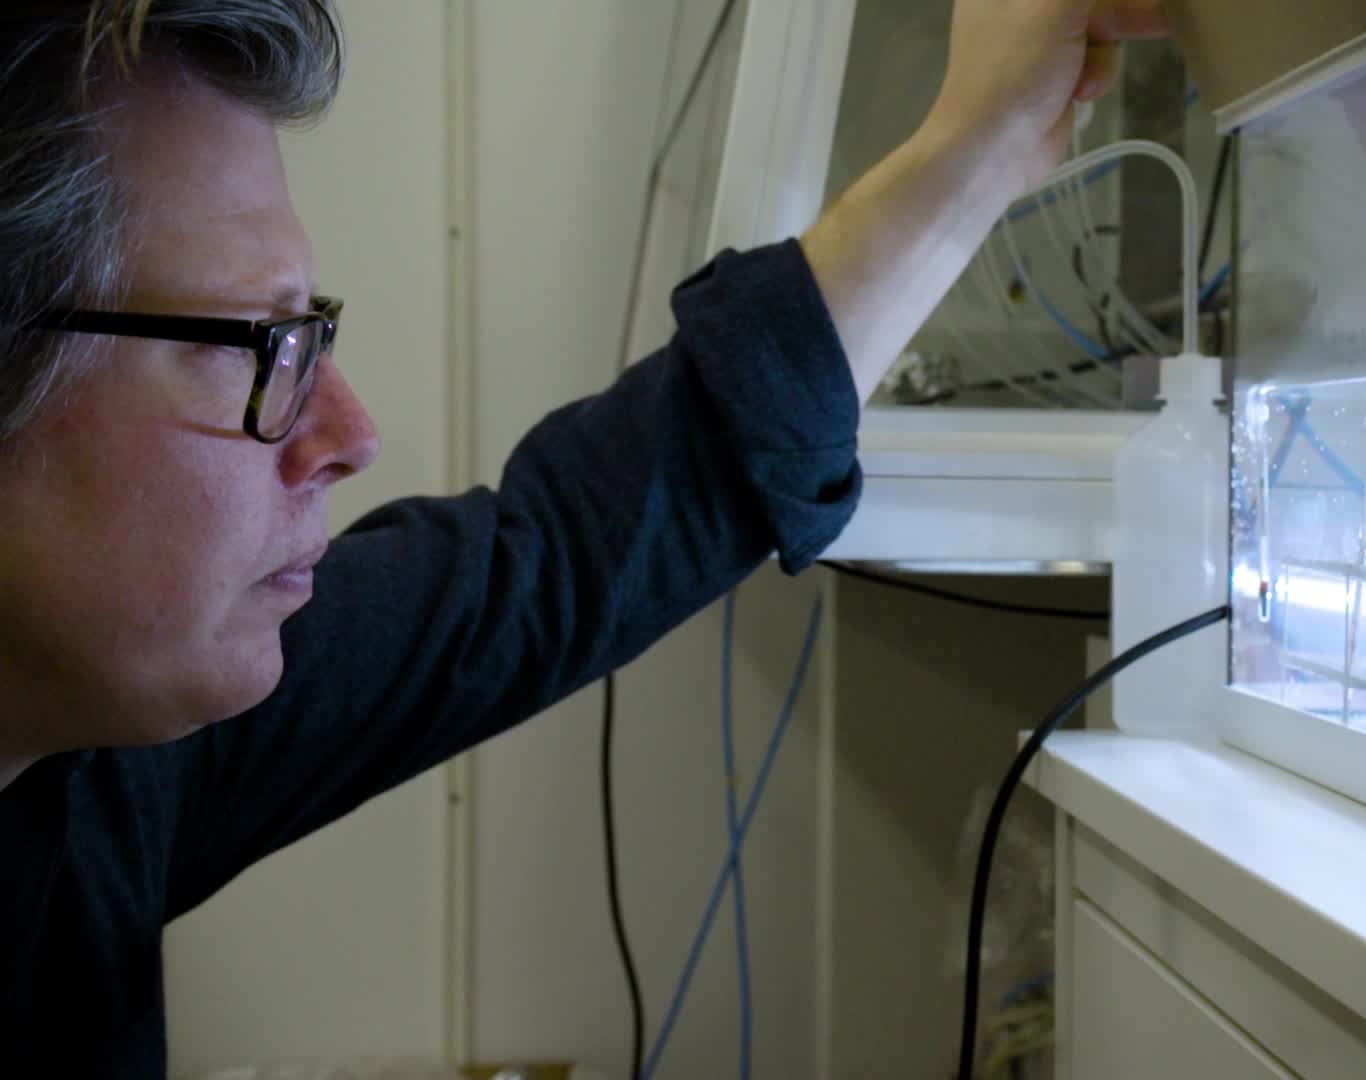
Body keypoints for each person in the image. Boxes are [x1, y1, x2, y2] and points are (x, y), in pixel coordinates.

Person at [0, 0, 1167, 1071]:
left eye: (312, 335)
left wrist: (984, 140)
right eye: (250, 347)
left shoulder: (98, 762)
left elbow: (559, 555)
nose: (350, 435)